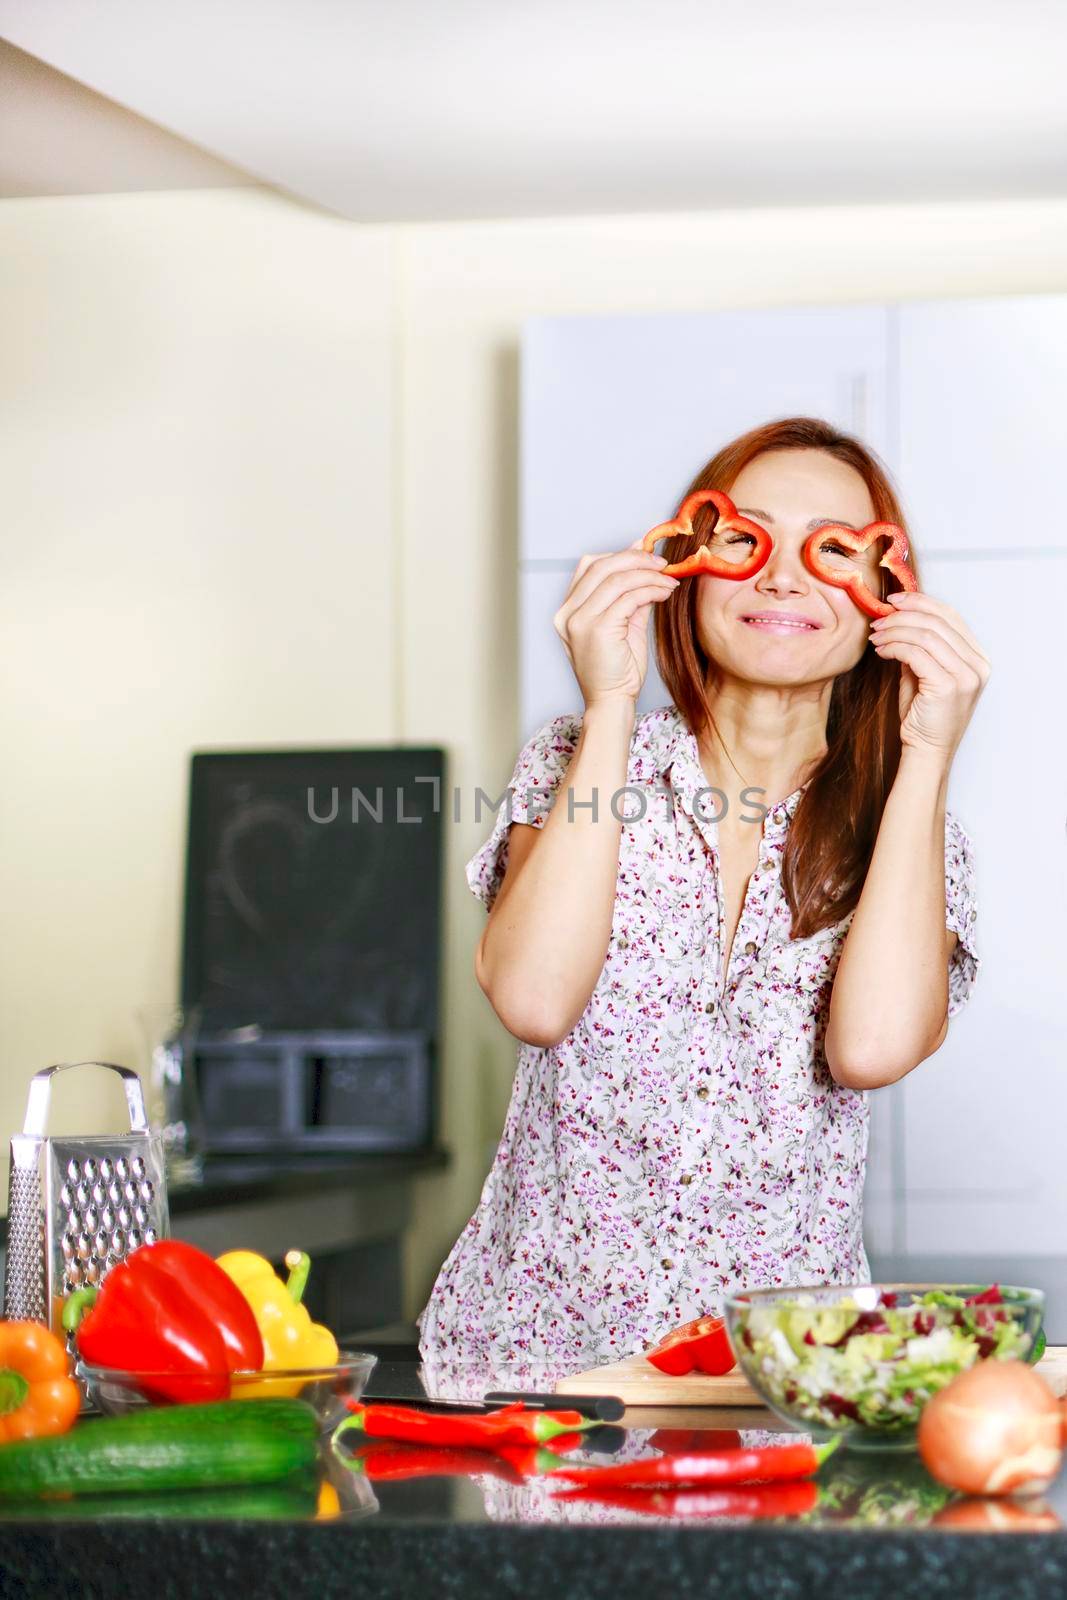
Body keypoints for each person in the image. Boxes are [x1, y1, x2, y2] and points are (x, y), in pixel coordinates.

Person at [416, 416, 987, 1393]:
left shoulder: (910, 826)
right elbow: (533, 1000)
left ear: (885, 599)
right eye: (745, 538)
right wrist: (606, 701)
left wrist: (927, 748)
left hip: (779, 1382)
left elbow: (871, 1050)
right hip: (535, 1371)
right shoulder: (572, 760)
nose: (782, 578)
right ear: (684, 564)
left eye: (834, 551)